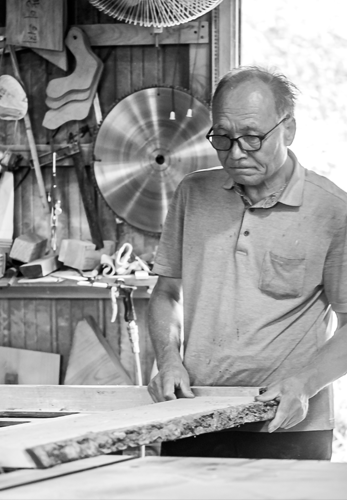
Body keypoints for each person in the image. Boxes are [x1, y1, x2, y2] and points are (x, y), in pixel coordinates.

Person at [148, 66, 347, 460]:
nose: (236, 153)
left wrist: (304, 385)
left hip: (289, 424)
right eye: (223, 138)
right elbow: (167, 292)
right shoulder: (193, 193)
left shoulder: (332, 210)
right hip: (193, 413)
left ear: (288, 130)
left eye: (252, 138)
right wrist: (168, 361)